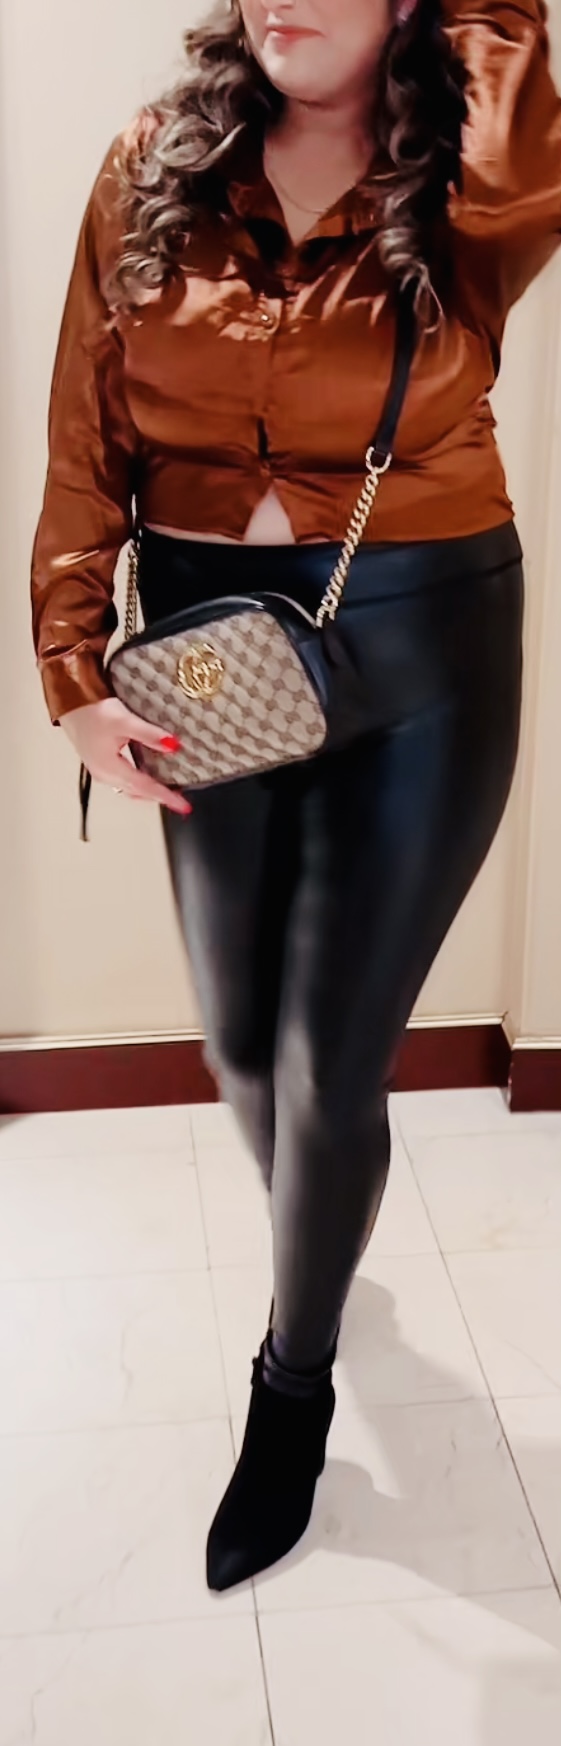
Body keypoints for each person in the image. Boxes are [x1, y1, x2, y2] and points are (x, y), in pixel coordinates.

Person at [31, 0, 561, 1593]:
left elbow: (523, 118)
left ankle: (294, 1379)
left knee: (331, 1060)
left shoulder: (473, 176)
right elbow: (83, 432)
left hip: (422, 650)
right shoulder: (152, 162)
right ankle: (327, 1206)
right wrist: (72, 667)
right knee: (245, 1047)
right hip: (208, 654)